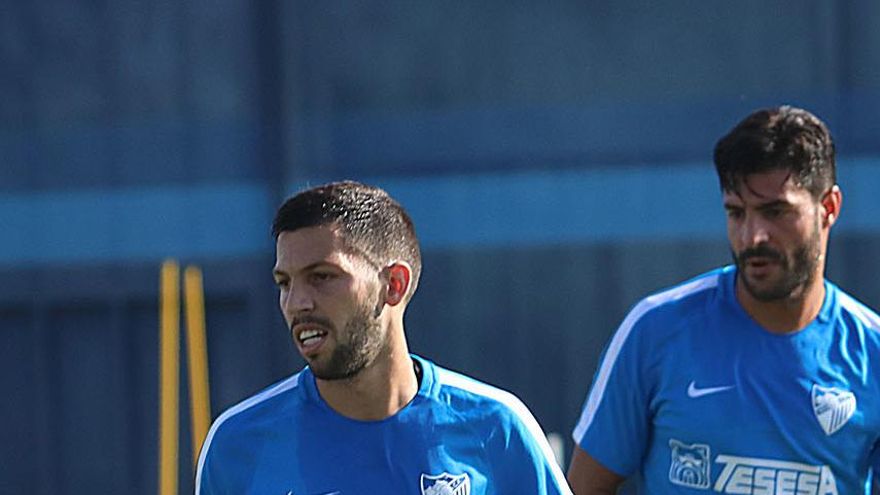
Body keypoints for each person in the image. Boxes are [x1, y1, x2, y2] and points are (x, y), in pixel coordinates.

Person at [567, 106, 880, 494]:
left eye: (775, 211)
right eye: (736, 213)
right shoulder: (656, 331)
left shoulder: (872, 352)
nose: (753, 237)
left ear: (828, 208)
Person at [196, 180, 572, 495]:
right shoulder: (238, 446)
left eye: (322, 276)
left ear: (393, 285)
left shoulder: (497, 429)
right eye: (284, 283)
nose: (297, 303)